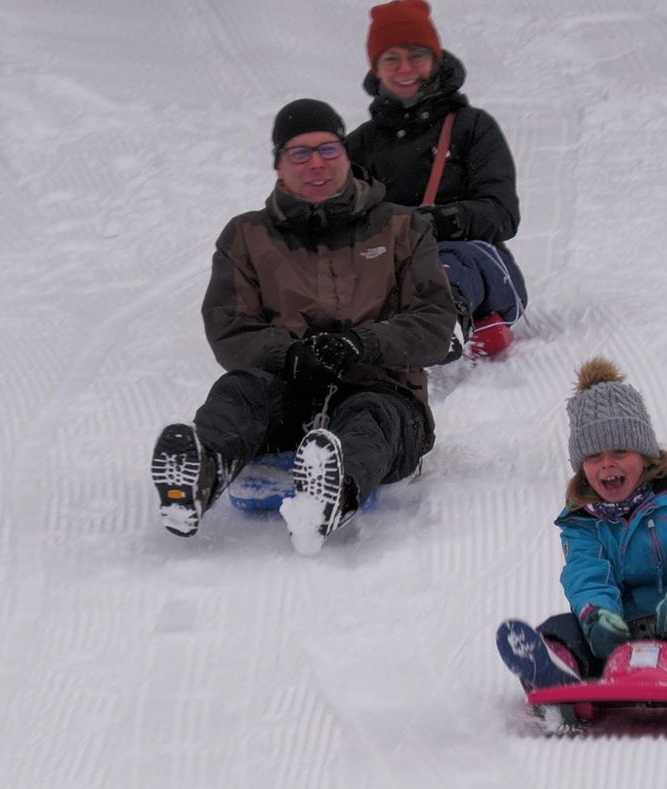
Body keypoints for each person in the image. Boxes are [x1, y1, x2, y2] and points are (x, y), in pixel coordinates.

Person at [150, 98, 457, 554]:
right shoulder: (247, 237)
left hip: (383, 389)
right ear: (279, 166)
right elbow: (229, 328)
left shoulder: (401, 228)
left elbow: (434, 323)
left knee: (371, 418)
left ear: (346, 156)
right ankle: (200, 472)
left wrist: (362, 344)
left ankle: (333, 492)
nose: (316, 163)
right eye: (300, 153)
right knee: (240, 391)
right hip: (285, 393)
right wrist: (287, 355)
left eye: (328, 150)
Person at [496, 358, 667, 692]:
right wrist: (596, 616)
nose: (607, 464)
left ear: (644, 454)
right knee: (564, 627)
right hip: (618, 635)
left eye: (619, 451)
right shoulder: (582, 518)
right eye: (594, 457)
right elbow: (585, 573)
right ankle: (556, 668)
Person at [346, 0, 528, 360]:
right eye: (391, 59)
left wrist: (439, 221)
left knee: (444, 266)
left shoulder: (472, 128)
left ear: (435, 58)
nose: (405, 69)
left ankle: (445, 326)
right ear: (377, 69)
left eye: (416, 56)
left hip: (466, 257)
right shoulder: (359, 145)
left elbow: (502, 213)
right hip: (385, 261)